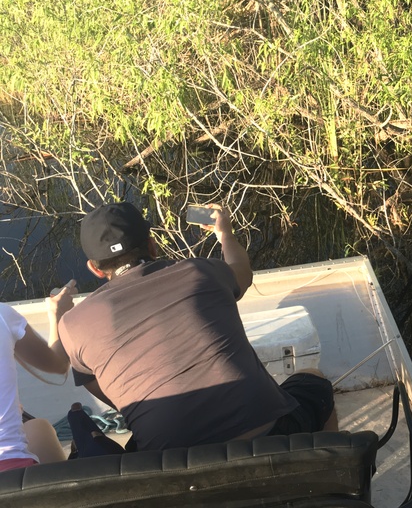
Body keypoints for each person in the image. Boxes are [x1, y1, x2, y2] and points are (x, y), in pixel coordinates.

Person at [57, 202, 336, 453]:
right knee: (314, 382)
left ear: (94, 268)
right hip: (271, 434)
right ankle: (332, 477)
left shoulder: (72, 324)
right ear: (152, 246)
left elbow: (101, 387)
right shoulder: (201, 272)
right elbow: (242, 271)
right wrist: (223, 232)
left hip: (170, 465)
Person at [0, 284, 75, 471]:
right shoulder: (3, 315)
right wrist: (57, 314)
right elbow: (58, 368)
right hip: (12, 472)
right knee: (40, 427)